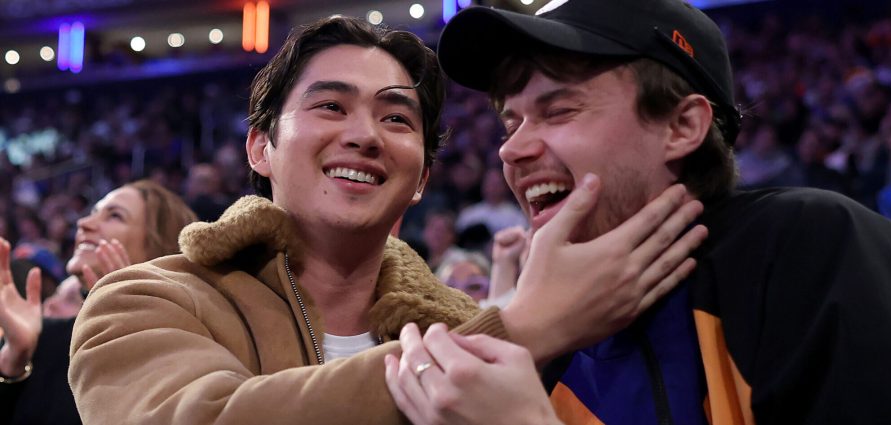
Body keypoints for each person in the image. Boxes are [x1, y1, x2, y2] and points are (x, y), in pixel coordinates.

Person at [68, 15, 708, 424]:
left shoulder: (460, 324)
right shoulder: (149, 298)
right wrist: (513, 331)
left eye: (398, 118)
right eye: (330, 106)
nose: (365, 136)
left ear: (423, 177)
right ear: (260, 147)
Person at [385, 0, 891, 424]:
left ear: (682, 127)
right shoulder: (546, 331)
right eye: (510, 123)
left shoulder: (809, 249)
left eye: (559, 110)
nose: (511, 150)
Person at [0, 180, 197, 425]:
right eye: (93, 212)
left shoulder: (184, 343)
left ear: (157, 246)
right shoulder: (44, 337)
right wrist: (13, 360)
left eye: (114, 215)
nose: (83, 224)